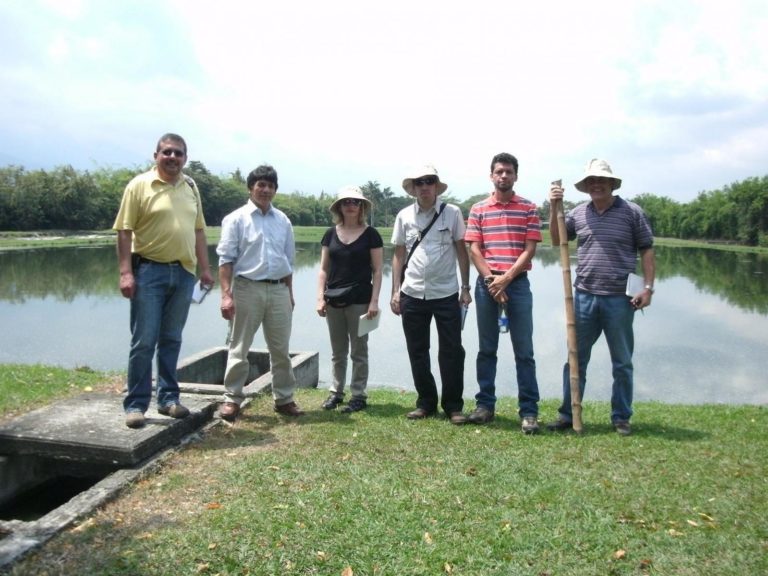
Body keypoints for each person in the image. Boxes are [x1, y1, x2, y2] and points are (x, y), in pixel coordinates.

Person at [547, 159, 655, 436]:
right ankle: (568, 413)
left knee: (622, 361)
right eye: (591, 181)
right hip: (583, 297)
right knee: (574, 359)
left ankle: (621, 417)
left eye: (601, 181)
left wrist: (648, 288)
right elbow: (558, 239)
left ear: (611, 184)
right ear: (585, 186)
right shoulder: (578, 213)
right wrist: (554, 207)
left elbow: (646, 249)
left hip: (620, 299)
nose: (596, 185)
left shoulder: (632, 212)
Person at [114, 133, 213, 429]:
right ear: (155, 154)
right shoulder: (139, 185)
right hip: (148, 271)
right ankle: (136, 405)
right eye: (167, 152)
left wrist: (205, 270)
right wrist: (125, 272)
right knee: (144, 340)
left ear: (185, 157)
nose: (172, 158)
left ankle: (169, 399)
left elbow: (198, 231)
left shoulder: (190, 186)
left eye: (178, 153)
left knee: (171, 339)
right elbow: (123, 231)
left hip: (183, 273)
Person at [216, 165, 303, 422]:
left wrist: (290, 292)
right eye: (260, 185)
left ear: (275, 189)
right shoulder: (236, 219)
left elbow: (288, 260)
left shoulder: (283, 220)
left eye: (270, 185)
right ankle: (232, 398)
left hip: (278, 290)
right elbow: (225, 260)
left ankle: (284, 398)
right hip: (246, 288)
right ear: (251, 187)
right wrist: (225, 294)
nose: (265, 190)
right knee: (239, 346)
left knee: (280, 348)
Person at [464, 152, 543, 434]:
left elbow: (530, 249)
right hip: (487, 285)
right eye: (499, 171)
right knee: (487, 349)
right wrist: (491, 281)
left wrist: (506, 279)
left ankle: (529, 411)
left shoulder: (529, 208)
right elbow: (474, 248)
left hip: (517, 283)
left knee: (525, 351)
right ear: (491, 175)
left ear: (516, 176)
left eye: (509, 172)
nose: (504, 176)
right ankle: (485, 406)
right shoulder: (478, 209)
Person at [390, 165, 472, 425]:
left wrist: (466, 288)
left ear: (436, 185)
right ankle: (425, 402)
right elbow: (398, 255)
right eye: (419, 182)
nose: (424, 186)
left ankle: (453, 406)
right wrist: (395, 291)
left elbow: (462, 251)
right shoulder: (404, 216)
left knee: (452, 351)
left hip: (446, 292)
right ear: (413, 188)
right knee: (417, 350)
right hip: (412, 293)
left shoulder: (453, 213)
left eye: (429, 181)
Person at [316, 186, 384, 413]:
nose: (351, 205)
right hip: (333, 299)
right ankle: (336, 392)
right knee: (337, 351)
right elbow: (323, 269)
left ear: (362, 206)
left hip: (360, 300)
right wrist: (319, 297)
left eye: (355, 202)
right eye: (346, 202)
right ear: (339, 207)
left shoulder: (371, 234)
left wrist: (374, 301)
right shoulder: (330, 234)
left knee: (359, 350)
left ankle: (358, 395)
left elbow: (377, 271)